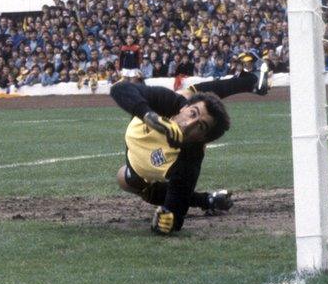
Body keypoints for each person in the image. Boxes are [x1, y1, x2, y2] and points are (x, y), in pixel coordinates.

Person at [109, 57, 270, 235]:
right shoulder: (170, 102)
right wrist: (150, 116)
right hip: (144, 131)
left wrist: (166, 220)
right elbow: (119, 88)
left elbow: (176, 211)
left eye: (200, 127)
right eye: (191, 114)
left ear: (202, 139)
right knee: (188, 95)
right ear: (183, 109)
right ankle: (248, 82)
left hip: (139, 171)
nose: (189, 124)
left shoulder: (190, 159)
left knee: (125, 179)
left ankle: (207, 200)